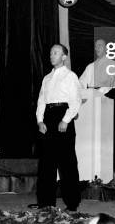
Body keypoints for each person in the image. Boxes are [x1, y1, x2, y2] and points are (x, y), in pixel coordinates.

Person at [34, 43, 82, 211]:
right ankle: (46, 203)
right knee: (46, 163)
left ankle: (72, 203)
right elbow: (41, 101)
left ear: (63, 57)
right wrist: (40, 121)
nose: (51, 55)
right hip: (48, 117)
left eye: (55, 53)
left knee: (67, 162)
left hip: (63, 116)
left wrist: (66, 119)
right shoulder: (46, 78)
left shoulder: (70, 76)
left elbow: (75, 101)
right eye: (50, 52)